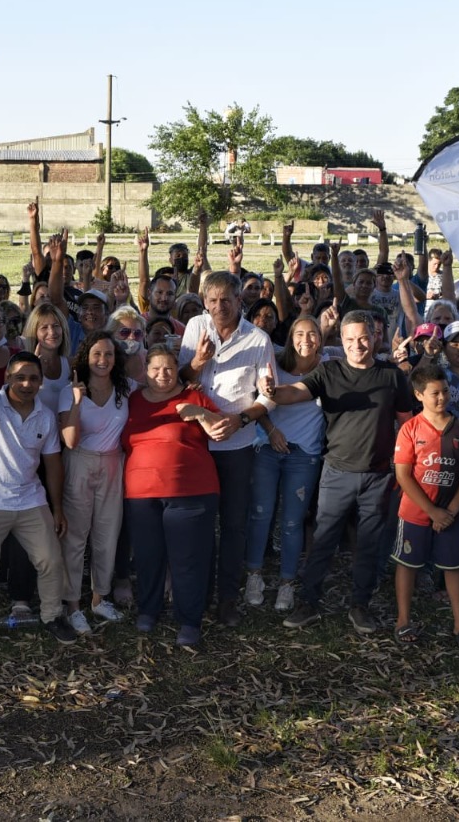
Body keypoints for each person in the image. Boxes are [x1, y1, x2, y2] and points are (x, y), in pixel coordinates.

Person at [267, 310, 414, 634]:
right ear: (341, 341)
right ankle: (309, 601)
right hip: (336, 473)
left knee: (368, 543)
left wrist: (403, 469)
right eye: (349, 339)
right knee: (323, 540)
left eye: (363, 338)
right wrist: (272, 392)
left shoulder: (392, 376)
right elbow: (296, 392)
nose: (357, 345)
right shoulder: (329, 371)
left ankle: (360, 605)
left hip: (378, 476)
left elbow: (406, 425)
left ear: (374, 337)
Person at [0, 351, 77, 650]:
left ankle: (52, 616)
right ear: (8, 377)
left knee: (50, 559)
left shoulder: (45, 416)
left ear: (41, 382)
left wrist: (57, 508)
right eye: (20, 377)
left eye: (33, 378)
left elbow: (53, 464)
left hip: (29, 499)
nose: (26, 384)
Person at [179, 271, 277, 627]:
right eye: (213, 300)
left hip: (237, 446)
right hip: (196, 443)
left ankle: (228, 599)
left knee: (234, 524)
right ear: (204, 302)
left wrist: (242, 419)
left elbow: (269, 396)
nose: (219, 306)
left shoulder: (258, 339)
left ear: (239, 301)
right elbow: (180, 381)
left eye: (226, 300)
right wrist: (197, 362)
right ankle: (200, 594)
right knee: (200, 523)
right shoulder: (195, 327)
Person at [123, 346, 223, 647]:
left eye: (168, 368)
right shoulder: (133, 400)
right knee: (147, 555)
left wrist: (200, 413)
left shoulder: (193, 396)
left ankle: (189, 619)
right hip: (141, 493)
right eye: (155, 369)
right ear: (146, 371)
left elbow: (222, 429)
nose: (162, 374)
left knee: (187, 558)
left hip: (191, 490)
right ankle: (149, 609)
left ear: (176, 369)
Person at [391, 362, 459, 645]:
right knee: (408, 565)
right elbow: (403, 475)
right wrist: (432, 511)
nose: (442, 398)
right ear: (419, 395)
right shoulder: (410, 429)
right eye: (434, 393)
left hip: (452, 515)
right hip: (415, 513)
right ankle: (403, 621)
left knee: (453, 566)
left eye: (445, 391)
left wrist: (450, 511)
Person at [244, 316, 325, 613]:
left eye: (312, 334)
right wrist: (270, 430)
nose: (306, 340)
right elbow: (256, 402)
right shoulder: (274, 364)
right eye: (299, 334)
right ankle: (254, 576)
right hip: (267, 448)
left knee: (292, 522)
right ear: (290, 337)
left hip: (304, 454)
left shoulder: (327, 367)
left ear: (321, 338)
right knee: (260, 514)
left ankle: (287, 582)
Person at [57, 332, 131, 635]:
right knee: (75, 537)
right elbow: (70, 440)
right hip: (80, 462)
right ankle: (73, 605)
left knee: (107, 534)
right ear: (86, 357)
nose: (103, 360)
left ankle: (100, 597)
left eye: (109, 354)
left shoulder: (125, 388)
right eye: (97, 354)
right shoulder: (70, 391)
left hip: (113, 463)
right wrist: (77, 402)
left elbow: (157, 388)